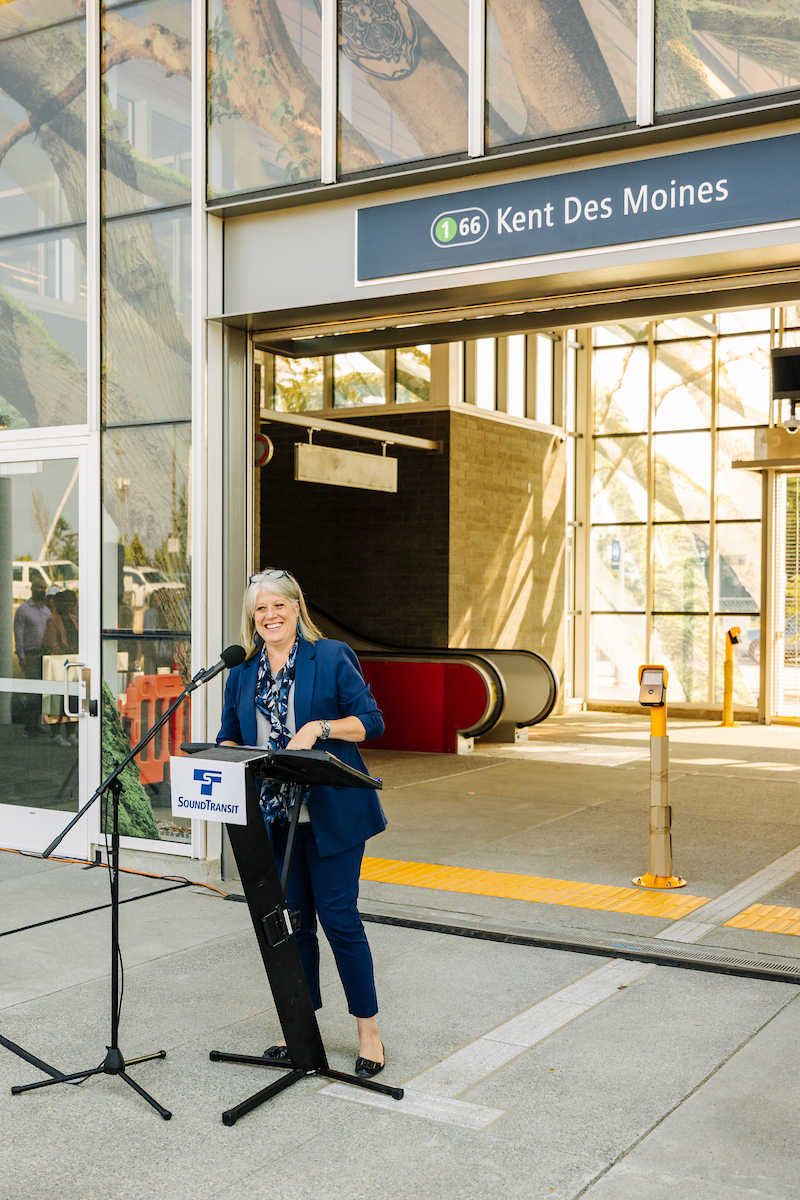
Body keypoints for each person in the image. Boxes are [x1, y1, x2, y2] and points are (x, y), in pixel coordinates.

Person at [217, 568, 387, 1077]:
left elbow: (371, 721)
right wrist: (223, 755)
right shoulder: (242, 674)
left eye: (278, 606)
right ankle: (301, 1027)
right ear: (252, 618)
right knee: (293, 925)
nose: (269, 615)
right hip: (276, 820)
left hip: (333, 813)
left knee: (339, 920)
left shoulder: (331, 656)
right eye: (260, 609)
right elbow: (229, 736)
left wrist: (320, 727)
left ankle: (368, 1031)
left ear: (296, 608)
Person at [13, 577, 51, 735]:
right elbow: (19, 633)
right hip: (30, 654)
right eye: (38, 587)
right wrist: (21, 656)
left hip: (45, 654)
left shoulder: (47, 611)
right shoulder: (23, 610)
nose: (41, 590)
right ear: (32, 589)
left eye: (44, 588)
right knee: (33, 692)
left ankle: (36, 724)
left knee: (42, 692)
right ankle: (29, 726)